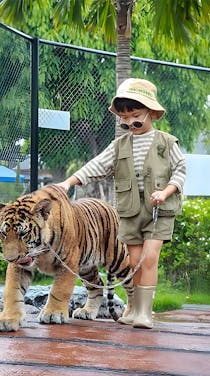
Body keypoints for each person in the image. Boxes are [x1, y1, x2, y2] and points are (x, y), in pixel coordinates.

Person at [57, 78, 186, 329]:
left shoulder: (166, 142)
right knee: (134, 261)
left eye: (136, 117)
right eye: (124, 119)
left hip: (159, 210)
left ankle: (145, 313)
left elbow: (180, 170)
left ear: (151, 113)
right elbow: (97, 166)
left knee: (149, 259)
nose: (130, 123)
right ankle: (133, 308)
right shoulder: (119, 145)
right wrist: (69, 182)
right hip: (129, 210)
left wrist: (167, 192)